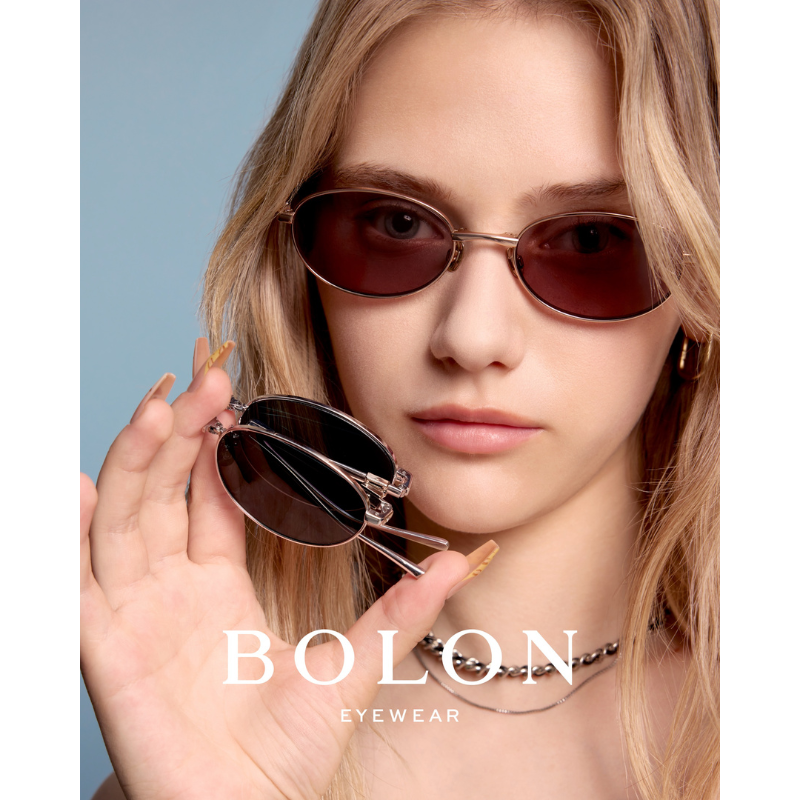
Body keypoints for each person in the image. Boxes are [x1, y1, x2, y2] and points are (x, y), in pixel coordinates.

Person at [80, 0, 719, 797]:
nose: (472, 337)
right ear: (300, 263)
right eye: (397, 224)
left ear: (702, 286)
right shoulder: (213, 740)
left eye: (591, 240)